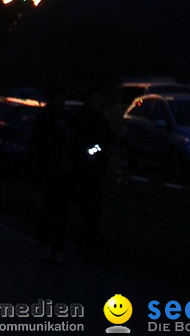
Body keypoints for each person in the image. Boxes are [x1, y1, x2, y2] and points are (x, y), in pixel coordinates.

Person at [28, 86, 72, 263]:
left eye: (62, 100)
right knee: (48, 210)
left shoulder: (66, 119)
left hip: (63, 171)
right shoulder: (43, 120)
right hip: (48, 170)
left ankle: (58, 248)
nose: (60, 104)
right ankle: (44, 244)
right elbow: (37, 146)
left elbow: (73, 141)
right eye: (57, 100)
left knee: (61, 212)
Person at [70, 88, 115, 258]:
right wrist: (97, 149)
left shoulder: (101, 120)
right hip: (84, 171)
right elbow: (81, 147)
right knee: (87, 208)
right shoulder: (80, 120)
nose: (99, 104)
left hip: (98, 172)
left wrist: (111, 147)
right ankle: (86, 243)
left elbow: (108, 139)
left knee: (96, 208)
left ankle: (92, 242)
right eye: (95, 100)